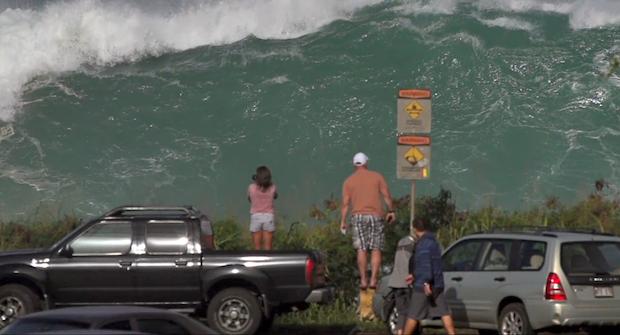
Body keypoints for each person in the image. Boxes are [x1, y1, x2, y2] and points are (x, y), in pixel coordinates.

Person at [340, 152, 396, 290]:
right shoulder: (377, 177)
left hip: (358, 216)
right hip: (375, 215)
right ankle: (373, 280)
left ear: (354, 164)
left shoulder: (348, 181)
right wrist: (391, 211)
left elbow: (346, 204)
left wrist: (343, 221)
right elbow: (386, 196)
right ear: (366, 163)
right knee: (376, 248)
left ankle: (363, 280)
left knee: (361, 249)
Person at [403, 218, 456, 335]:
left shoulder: (423, 244)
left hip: (424, 285)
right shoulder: (434, 242)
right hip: (438, 284)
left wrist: (426, 282)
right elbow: (434, 264)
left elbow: (426, 265)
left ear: (415, 229)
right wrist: (414, 275)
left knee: (413, 315)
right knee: (444, 313)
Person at [387, 235, 418, 335]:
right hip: (407, 283)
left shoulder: (401, 242)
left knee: (401, 312)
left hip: (395, 282)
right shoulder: (414, 246)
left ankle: (399, 332)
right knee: (410, 312)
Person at [248, 166, 278, 250]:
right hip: (268, 216)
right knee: (268, 248)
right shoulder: (273, 187)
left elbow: (250, 199)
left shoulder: (251, 187)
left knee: (257, 248)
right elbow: (275, 196)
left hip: (256, 216)